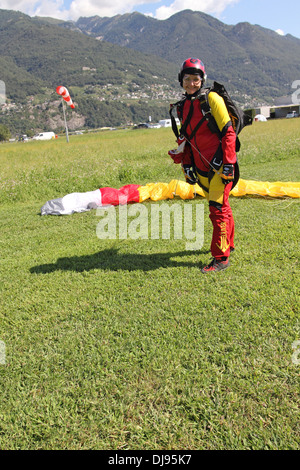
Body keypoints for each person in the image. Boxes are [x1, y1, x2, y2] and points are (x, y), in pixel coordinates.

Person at [168, 57, 238, 273]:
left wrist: (228, 164)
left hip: (219, 164)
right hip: (200, 167)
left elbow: (228, 132)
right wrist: (186, 165)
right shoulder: (182, 107)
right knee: (222, 205)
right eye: (187, 79)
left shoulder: (212, 99)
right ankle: (229, 244)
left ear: (202, 80)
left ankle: (221, 258)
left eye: (195, 79)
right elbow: (186, 139)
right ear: (181, 81)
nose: (191, 83)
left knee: (217, 209)